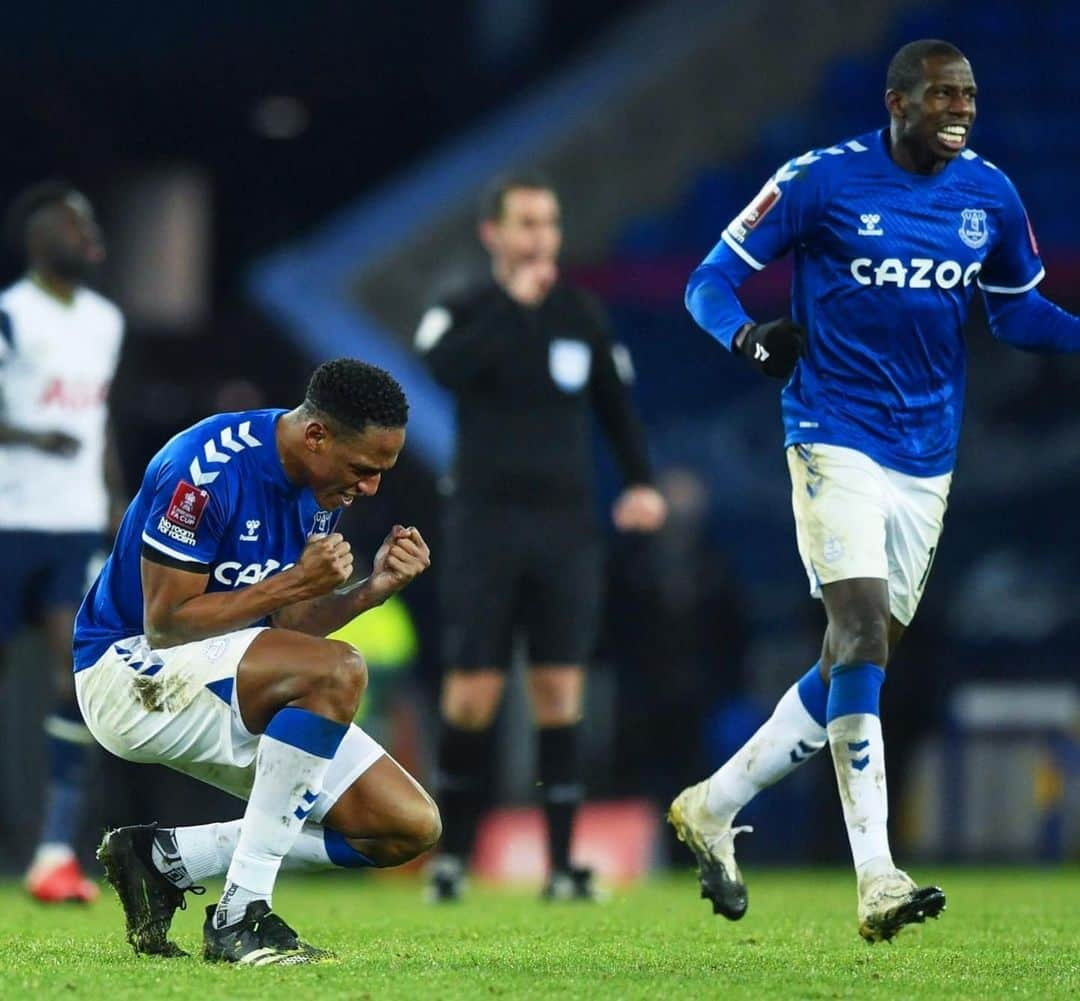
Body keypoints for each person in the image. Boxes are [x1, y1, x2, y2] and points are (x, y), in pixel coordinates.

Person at [671, 38, 1080, 943]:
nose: (962, 110)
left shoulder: (990, 195)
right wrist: (746, 339)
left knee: (853, 662)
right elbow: (710, 281)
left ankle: (712, 802)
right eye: (943, 95)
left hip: (926, 460)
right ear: (897, 102)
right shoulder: (818, 180)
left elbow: (1014, 310)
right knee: (857, 635)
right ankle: (878, 876)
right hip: (830, 435)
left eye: (970, 95)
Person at [78, 358, 440, 965]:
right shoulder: (204, 471)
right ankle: (240, 914)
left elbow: (286, 628)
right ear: (317, 435)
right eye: (363, 469)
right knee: (339, 668)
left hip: (220, 671)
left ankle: (169, 858)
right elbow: (164, 624)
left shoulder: (322, 482)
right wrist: (296, 580)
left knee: (405, 825)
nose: (371, 487)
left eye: (381, 473)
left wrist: (371, 590)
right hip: (124, 673)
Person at [414, 171, 667, 901]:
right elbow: (441, 368)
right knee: (472, 695)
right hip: (484, 526)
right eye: (525, 223)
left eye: (548, 223)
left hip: (566, 527)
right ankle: (451, 859)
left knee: (561, 688)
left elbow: (616, 405)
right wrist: (512, 313)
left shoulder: (581, 314)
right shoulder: (464, 308)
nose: (539, 237)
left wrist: (642, 482)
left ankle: (562, 867)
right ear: (492, 233)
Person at [0, 182, 125, 903]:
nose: (88, 233)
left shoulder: (106, 321)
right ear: (38, 237)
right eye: (74, 224)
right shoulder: (11, 316)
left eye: (90, 221)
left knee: (77, 677)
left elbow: (100, 417)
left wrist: (114, 498)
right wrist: (29, 435)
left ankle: (53, 851)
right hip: (9, 520)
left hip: (73, 522)